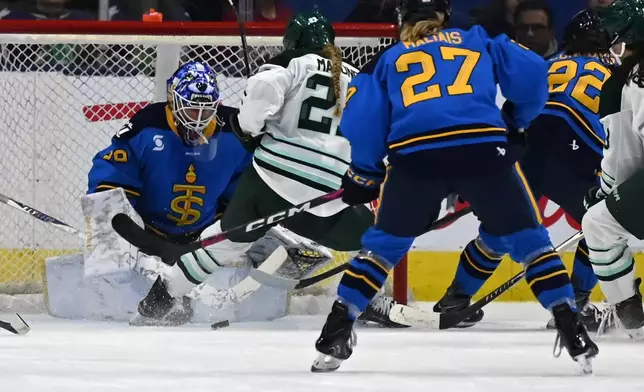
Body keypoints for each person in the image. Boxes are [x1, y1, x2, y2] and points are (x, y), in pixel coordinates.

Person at [311, 0, 599, 373]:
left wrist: (364, 175)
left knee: (382, 250)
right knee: (532, 242)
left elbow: (364, 119)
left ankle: (336, 331)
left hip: (415, 159)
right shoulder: (477, 39)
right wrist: (516, 120)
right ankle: (570, 323)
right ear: (445, 16)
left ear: (402, 19)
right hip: (483, 150)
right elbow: (531, 73)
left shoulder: (387, 60)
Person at [132, 10, 406, 329]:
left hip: (273, 182)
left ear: (294, 39)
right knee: (372, 237)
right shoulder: (360, 78)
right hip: (332, 191)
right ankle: (368, 298)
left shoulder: (286, 64)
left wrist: (247, 130)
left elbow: (251, 118)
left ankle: (160, 300)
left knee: (224, 241)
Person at [434, 9, 613, 332]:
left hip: (526, 149)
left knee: (500, 232)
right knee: (601, 227)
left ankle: (455, 300)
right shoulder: (616, 73)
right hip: (576, 152)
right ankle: (575, 305)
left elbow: (513, 110)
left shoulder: (548, 64)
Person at [85, 61, 252, 326]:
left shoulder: (236, 135)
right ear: (173, 102)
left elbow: (241, 195)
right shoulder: (146, 128)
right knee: (102, 206)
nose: (197, 118)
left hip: (203, 236)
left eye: (205, 109)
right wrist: (153, 245)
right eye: (191, 108)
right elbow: (107, 192)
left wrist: (214, 242)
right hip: (147, 235)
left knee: (265, 206)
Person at [582, 0, 644, 338]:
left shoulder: (628, 81)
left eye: (618, 42)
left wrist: (606, 194)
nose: (614, 50)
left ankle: (631, 321)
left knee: (599, 224)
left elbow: (625, 161)